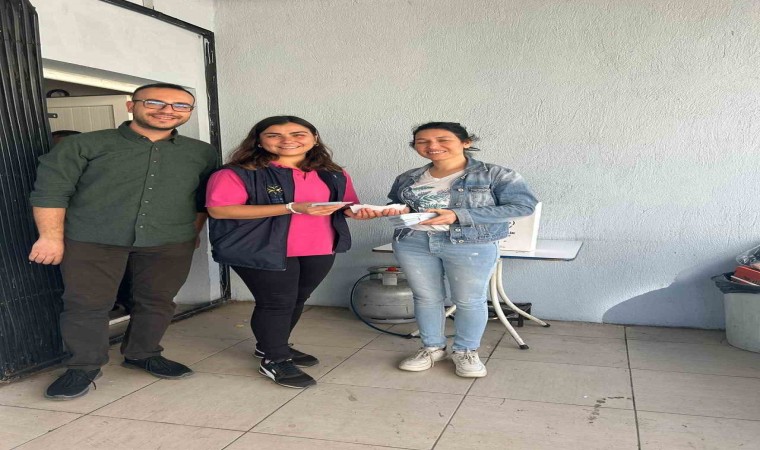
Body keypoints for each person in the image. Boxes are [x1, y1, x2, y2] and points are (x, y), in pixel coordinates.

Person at [29, 83, 219, 399]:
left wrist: (193, 233)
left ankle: (142, 353)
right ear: (132, 106)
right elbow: (51, 192)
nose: (167, 110)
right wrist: (50, 238)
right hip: (92, 238)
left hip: (169, 239)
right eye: (155, 102)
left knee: (157, 301)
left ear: (189, 112)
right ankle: (83, 367)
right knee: (87, 304)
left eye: (180, 105)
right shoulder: (83, 145)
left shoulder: (201, 152)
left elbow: (202, 200)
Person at [354, 122, 537, 378]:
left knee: (469, 300)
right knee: (425, 298)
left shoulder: (496, 174)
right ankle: (432, 348)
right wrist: (390, 210)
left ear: (466, 142)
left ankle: (466, 351)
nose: (432, 146)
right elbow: (400, 204)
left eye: (443, 139)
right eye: (423, 141)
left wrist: (457, 215)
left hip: (471, 243)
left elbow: (523, 206)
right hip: (413, 242)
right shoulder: (408, 177)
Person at [206, 115, 360, 389]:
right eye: (274, 135)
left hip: (320, 245)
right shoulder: (237, 172)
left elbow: (345, 205)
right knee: (276, 302)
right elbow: (220, 210)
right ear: (259, 141)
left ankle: (270, 345)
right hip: (263, 247)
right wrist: (291, 207)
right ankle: (275, 360)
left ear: (314, 138)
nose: (287, 140)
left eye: (298, 134)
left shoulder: (333, 172)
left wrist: (362, 212)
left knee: (298, 297)